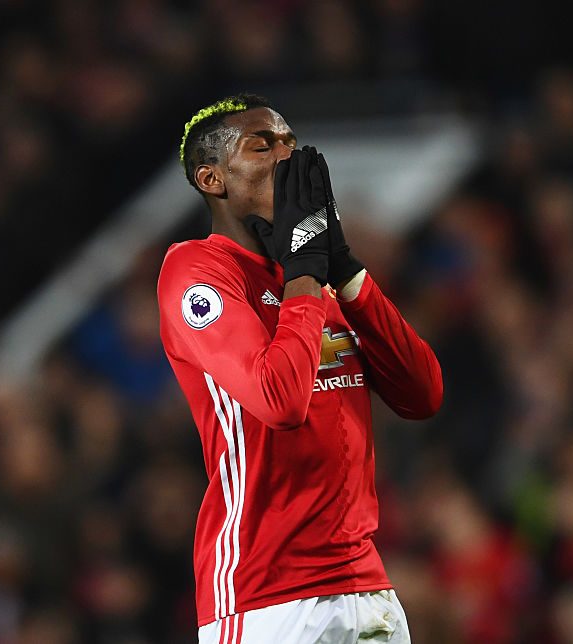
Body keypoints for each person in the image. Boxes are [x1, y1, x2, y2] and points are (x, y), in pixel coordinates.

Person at [157, 93, 443, 643]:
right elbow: (280, 401)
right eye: (262, 145)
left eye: (290, 140)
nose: (288, 156)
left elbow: (422, 393)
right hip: (266, 594)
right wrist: (307, 272)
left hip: (366, 588)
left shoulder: (316, 280)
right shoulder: (196, 270)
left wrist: (343, 266)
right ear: (213, 180)